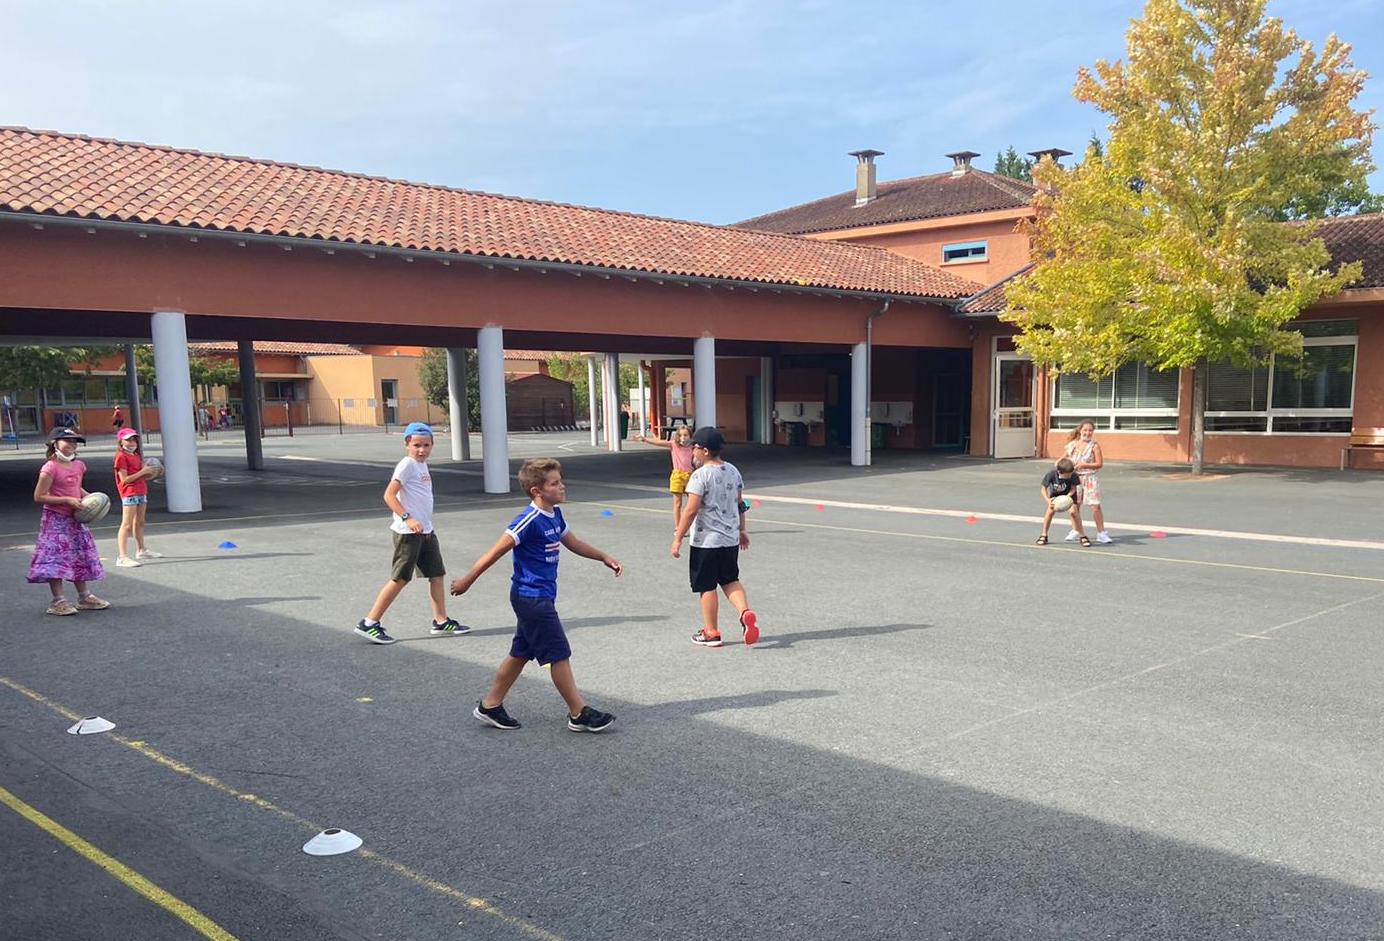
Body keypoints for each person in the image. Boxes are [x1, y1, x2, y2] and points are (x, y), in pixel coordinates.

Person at [451, 458, 622, 733]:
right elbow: (496, 551)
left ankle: (490, 705)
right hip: (531, 598)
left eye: (560, 480)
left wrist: (603, 556)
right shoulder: (528, 520)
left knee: (521, 652)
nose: (562, 486)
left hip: (540, 596)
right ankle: (578, 713)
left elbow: (573, 542)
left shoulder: (554, 514)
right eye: (555, 483)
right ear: (536, 491)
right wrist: (468, 579)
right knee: (559, 653)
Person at [354, 422, 468, 644]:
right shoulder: (407, 465)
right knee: (400, 578)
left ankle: (440, 620)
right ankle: (369, 623)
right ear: (407, 444)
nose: (422, 450)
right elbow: (389, 496)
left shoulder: (421, 465)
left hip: (425, 531)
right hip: (408, 533)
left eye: (426, 445)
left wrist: (425, 525)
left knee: (436, 574)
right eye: (417, 445)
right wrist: (409, 518)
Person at [671, 426, 759, 648]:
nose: (692, 452)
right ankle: (745, 613)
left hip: (706, 541)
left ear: (706, 451)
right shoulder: (733, 471)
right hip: (729, 539)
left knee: (706, 585)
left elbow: (690, 510)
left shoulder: (700, 476)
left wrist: (678, 537)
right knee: (730, 579)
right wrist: (742, 530)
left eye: (695, 448)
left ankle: (711, 632)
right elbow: (741, 504)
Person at [27, 428, 109, 615]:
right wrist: (66, 500)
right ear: (55, 443)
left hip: (76, 519)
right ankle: (58, 601)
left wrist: (92, 500)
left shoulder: (79, 465)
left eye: (75, 442)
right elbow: (39, 496)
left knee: (80, 556)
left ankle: (85, 597)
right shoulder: (50, 467)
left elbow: (76, 488)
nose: (72, 445)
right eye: (67, 441)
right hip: (56, 520)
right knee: (55, 559)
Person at [112, 428, 163, 567]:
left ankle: (141, 550)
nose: (132, 442)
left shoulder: (136, 455)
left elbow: (142, 475)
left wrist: (154, 472)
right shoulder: (120, 456)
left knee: (140, 522)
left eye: (134, 439)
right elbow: (125, 480)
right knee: (126, 524)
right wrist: (143, 471)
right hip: (129, 492)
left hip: (141, 490)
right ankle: (122, 557)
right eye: (128, 440)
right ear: (121, 441)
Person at [632, 423, 695, 528]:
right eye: (680, 435)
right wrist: (645, 439)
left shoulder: (693, 447)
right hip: (677, 476)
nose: (683, 438)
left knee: (691, 504)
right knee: (677, 503)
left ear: (690, 436)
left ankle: (690, 525)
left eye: (686, 435)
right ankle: (678, 527)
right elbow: (659, 442)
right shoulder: (674, 445)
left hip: (690, 476)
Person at [1064, 420, 1113, 544]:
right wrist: (1059, 465)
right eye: (1085, 430)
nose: (1088, 432)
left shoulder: (1094, 445)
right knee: (1074, 506)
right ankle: (1075, 530)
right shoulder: (1072, 445)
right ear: (1080, 431)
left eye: (1090, 430)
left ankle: (1101, 533)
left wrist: (1085, 464)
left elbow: (1099, 464)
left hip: (1090, 478)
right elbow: (1064, 458)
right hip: (1075, 479)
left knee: (1095, 506)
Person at [1037, 457, 1089, 547]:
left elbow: (1073, 488)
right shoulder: (1051, 474)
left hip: (1069, 496)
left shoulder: (1073, 475)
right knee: (1050, 512)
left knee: (1074, 512)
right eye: (1067, 475)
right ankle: (1044, 534)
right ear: (1059, 472)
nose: (1069, 476)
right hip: (1055, 497)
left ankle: (1082, 535)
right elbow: (1043, 489)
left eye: (1070, 474)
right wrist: (1048, 500)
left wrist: (1067, 497)